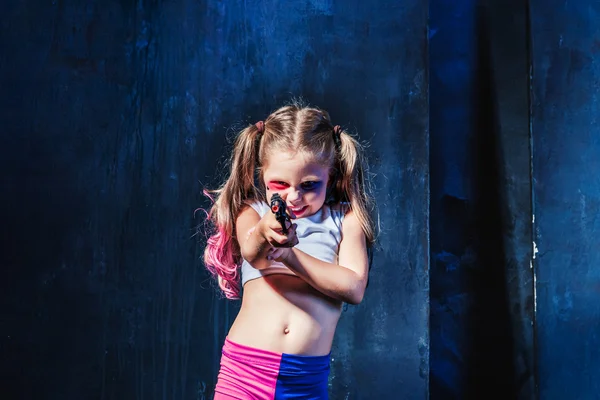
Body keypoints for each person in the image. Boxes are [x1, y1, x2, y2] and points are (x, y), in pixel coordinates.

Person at [201, 101, 377, 399]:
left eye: (309, 185)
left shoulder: (345, 219)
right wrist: (265, 232)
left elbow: (354, 287)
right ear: (263, 176)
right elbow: (252, 252)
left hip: (305, 380)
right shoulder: (252, 211)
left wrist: (289, 255)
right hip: (245, 372)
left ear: (330, 178)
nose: (293, 197)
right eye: (279, 183)